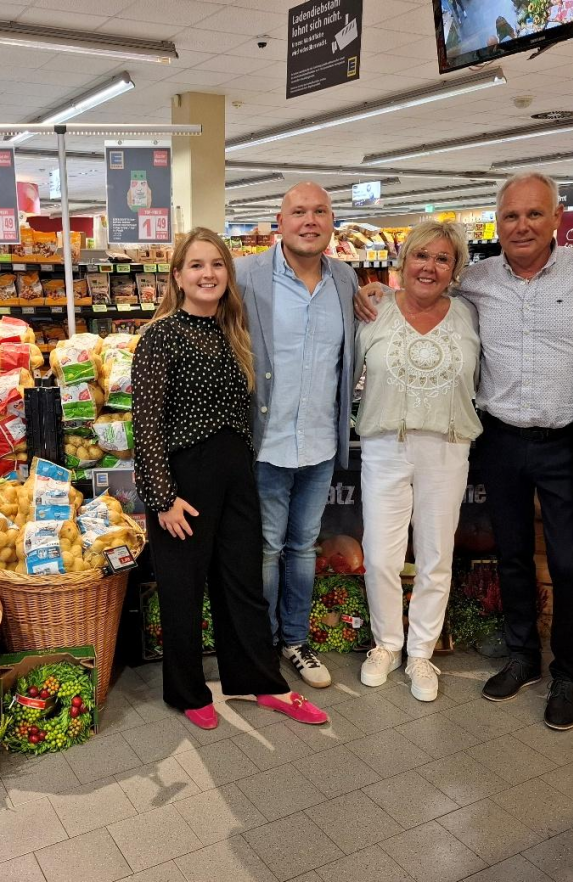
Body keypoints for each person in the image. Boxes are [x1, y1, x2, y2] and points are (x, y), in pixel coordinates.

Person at [356, 172, 573, 730]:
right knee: (503, 555)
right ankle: (513, 655)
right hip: (489, 440)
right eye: (510, 216)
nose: (522, 225)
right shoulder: (460, 289)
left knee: (566, 563)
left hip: (557, 440)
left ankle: (560, 674)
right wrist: (368, 290)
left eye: (534, 214)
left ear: (557, 217)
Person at [132, 227, 328, 731]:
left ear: (228, 275)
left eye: (216, 265)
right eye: (196, 265)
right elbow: (146, 424)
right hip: (183, 481)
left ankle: (260, 682)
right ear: (177, 276)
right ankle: (186, 690)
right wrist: (162, 498)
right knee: (182, 588)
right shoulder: (160, 336)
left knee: (242, 584)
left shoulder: (233, 332)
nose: (207, 274)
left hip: (237, 475)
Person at [235, 182, 360, 689]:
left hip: (319, 441)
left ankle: (295, 640)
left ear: (332, 221)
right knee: (266, 548)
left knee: (304, 546)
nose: (310, 221)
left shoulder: (347, 279)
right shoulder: (246, 275)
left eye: (320, 212)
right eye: (299, 212)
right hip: (265, 439)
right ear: (279, 222)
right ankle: (260, 645)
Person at [355, 221, 482, 701]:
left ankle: (421, 652)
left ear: (455, 269)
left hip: (448, 447)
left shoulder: (470, 313)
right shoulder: (374, 310)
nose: (429, 266)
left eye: (443, 258)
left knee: (435, 555)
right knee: (382, 557)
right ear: (402, 260)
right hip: (386, 445)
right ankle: (386, 644)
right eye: (420, 255)